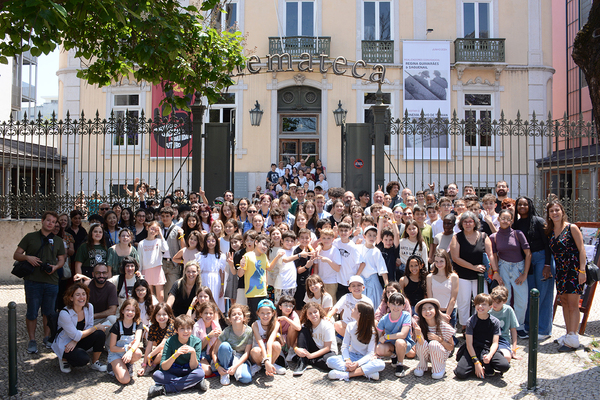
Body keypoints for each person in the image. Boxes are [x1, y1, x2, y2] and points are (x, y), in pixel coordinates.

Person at [14, 210, 66, 353]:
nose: (51, 224)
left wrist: (56, 267)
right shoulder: (30, 237)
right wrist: (28, 258)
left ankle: (47, 337)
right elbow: (16, 254)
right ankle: (32, 340)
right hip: (33, 281)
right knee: (32, 312)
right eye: (48, 220)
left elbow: (62, 259)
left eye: (54, 222)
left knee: (48, 312)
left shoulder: (58, 241)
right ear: (42, 221)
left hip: (51, 281)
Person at [546, 201, 587, 351]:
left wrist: (582, 271)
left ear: (562, 212)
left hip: (574, 269)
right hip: (561, 271)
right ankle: (568, 334)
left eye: (557, 210)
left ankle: (573, 337)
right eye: (552, 211)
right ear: (548, 214)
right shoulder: (550, 231)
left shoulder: (572, 228)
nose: (555, 213)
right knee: (563, 301)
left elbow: (582, 249)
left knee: (572, 303)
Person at [513, 196, 554, 340]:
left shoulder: (538, 221)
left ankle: (543, 329)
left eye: (525, 204)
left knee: (543, 294)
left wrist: (548, 264)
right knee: (530, 294)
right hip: (526, 262)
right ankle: (530, 326)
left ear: (530, 205)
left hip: (542, 258)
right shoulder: (516, 224)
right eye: (520, 205)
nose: (522, 207)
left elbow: (548, 244)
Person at [490, 209, 531, 337]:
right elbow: (494, 256)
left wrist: (525, 273)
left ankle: (519, 326)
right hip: (503, 267)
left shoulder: (518, 234)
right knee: (504, 299)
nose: (505, 221)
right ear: (498, 219)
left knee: (522, 299)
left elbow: (528, 254)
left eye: (508, 219)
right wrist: (496, 272)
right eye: (503, 218)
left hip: (519, 267)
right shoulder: (494, 237)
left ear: (512, 221)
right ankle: (504, 326)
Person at [450, 211, 495, 328]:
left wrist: (496, 272)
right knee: (464, 302)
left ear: (475, 223)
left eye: (470, 221)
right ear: (461, 224)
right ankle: (465, 326)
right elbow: (455, 258)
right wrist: (473, 267)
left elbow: (491, 255)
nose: (468, 224)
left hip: (480, 276)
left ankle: (479, 325)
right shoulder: (457, 237)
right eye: (465, 222)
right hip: (463, 275)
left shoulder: (484, 236)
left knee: (482, 301)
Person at [51, 282, 108, 373]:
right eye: (78, 295)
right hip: (65, 343)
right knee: (83, 360)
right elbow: (87, 330)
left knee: (100, 334)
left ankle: (95, 362)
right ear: (71, 298)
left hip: (78, 338)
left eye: (83, 294)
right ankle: (63, 358)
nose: (82, 297)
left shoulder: (89, 307)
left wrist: (75, 340)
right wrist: (96, 327)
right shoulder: (65, 313)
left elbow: (88, 326)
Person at [148, 315, 208, 398]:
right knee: (157, 375)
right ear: (176, 330)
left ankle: (165, 389)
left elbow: (194, 367)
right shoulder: (170, 341)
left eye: (188, 328)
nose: (186, 331)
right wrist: (175, 355)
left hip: (188, 370)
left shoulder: (196, 342)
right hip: (174, 370)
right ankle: (193, 384)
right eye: (182, 328)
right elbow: (163, 367)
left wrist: (193, 353)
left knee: (200, 373)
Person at [454, 293, 510, 379]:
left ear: (490, 307)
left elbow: (495, 343)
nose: (480, 306)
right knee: (460, 373)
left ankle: (487, 364)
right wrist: (476, 361)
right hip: (473, 349)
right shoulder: (471, 321)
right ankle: (477, 365)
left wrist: (490, 355)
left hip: (487, 348)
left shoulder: (495, 322)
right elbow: (469, 344)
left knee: (504, 366)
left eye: (484, 304)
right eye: (478, 304)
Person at [326, 301, 385, 380]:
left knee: (381, 364)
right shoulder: (350, 326)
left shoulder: (372, 331)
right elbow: (345, 346)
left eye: (355, 309)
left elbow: (370, 353)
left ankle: (346, 375)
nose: (352, 310)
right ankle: (365, 373)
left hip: (364, 360)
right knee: (330, 360)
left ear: (359, 314)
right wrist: (347, 360)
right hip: (351, 356)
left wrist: (357, 364)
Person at [413, 298, 455, 379]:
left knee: (433, 344)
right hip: (427, 354)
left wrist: (440, 340)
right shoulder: (419, 325)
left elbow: (451, 347)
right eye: (424, 309)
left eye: (430, 308)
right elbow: (421, 343)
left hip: (440, 353)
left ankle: (439, 368)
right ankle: (422, 365)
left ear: (436, 310)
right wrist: (418, 334)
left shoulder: (443, 326)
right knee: (421, 344)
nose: (427, 312)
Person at [375, 292, 414, 377]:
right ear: (388, 304)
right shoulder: (384, 318)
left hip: (404, 344)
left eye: (399, 305)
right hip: (391, 344)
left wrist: (386, 337)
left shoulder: (406, 315)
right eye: (393, 304)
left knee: (399, 342)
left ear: (403, 306)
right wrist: (373, 352)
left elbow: (403, 334)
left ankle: (400, 364)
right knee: (379, 349)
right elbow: (377, 335)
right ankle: (394, 356)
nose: (396, 307)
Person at [292, 302, 337, 376]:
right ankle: (302, 361)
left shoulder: (327, 325)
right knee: (302, 330)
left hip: (327, 352)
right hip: (314, 349)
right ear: (307, 316)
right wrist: (296, 349)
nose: (313, 315)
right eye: (310, 313)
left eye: (315, 312)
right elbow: (296, 343)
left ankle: (308, 360)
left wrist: (311, 356)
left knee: (330, 363)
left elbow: (327, 348)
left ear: (319, 312)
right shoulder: (306, 325)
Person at [213, 304, 254, 385]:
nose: (236, 316)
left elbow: (246, 353)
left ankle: (234, 371)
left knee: (246, 379)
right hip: (227, 357)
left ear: (244, 318)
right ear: (230, 319)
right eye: (233, 314)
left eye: (239, 314)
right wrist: (217, 366)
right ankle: (225, 373)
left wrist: (235, 367)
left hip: (239, 359)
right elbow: (214, 352)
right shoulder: (226, 331)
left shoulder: (249, 331)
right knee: (224, 345)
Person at [107, 299, 144, 384]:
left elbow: (137, 341)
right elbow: (112, 348)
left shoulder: (138, 324)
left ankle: (128, 364)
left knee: (138, 353)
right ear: (123, 311)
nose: (130, 312)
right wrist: (126, 348)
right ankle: (112, 367)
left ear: (136, 312)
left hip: (129, 352)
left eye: (133, 310)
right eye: (128, 310)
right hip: (117, 353)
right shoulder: (116, 326)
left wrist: (130, 351)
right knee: (125, 380)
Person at [250, 299, 286, 376]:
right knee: (255, 350)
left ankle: (272, 364)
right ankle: (259, 365)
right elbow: (260, 343)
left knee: (276, 344)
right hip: (259, 352)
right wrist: (266, 360)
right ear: (258, 313)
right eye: (262, 313)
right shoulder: (255, 325)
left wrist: (268, 360)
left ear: (273, 313)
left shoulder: (276, 324)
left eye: (268, 313)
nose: (265, 316)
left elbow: (269, 342)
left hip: (270, 353)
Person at [139, 303, 176, 376]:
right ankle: (154, 365)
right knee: (159, 354)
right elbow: (149, 346)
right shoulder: (153, 327)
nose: (161, 317)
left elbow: (163, 344)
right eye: (158, 314)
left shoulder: (171, 326)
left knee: (161, 353)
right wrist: (144, 364)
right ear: (155, 316)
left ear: (169, 315)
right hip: (159, 351)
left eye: (164, 314)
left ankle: (153, 365)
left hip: (172, 352)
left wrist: (150, 355)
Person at [426, 249, 459, 328]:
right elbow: (430, 298)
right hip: (435, 311)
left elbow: (453, 298)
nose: (439, 264)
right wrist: (439, 314)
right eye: (436, 261)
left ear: (446, 261)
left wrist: (447, 315)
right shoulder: (430, 277)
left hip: (450, 312)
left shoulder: (454, 277)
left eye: (441, 261)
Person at [357, 226, 388, 306]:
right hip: (361, 280)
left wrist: (387, 285)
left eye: (374, 235)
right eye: (369, 235)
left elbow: (383, 270)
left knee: (374, 304)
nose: (372, 237)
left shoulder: (376, 251)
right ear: (364, 236)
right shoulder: (358, 248)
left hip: (373, 281)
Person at [139, 221, 169, 302]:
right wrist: (140, 272)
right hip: (146, 270)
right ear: (147, 228)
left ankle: (161, 312)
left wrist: (161, 235)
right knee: (149, 295)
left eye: (156, 230)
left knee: (161, 296)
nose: (153, 231)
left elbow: (165, 249)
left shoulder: (159, 241)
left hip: (157, 269)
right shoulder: (141, 243)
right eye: (152, 228)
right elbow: (140, 260)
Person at [196, 232, 226, 312]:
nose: (211, 243)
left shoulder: (220, 256)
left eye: (213, 241)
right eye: (208, 241)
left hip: (216, 280)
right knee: (204, 299)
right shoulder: (201, 255)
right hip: (204, 279)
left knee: (215, 298)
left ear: (216, 242)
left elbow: (222, 272)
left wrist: (222, 286)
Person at [489, 286, 520, 362]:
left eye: (498, 302)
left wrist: (514, 349)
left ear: (505, 301)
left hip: (503, 339)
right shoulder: (488, 310)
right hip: (489, 338)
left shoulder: (508, 310)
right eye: (493, 301)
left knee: (506, 357)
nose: (494, 305)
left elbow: (513, 330)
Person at [160, 207, 186, 295]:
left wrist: (182, 235)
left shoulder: (177, 230)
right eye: (163, 216)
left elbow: (183, 248)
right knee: (159, 291)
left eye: (167, 216)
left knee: (170, 291)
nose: (165, 218)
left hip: (173, 264)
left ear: (172, 216)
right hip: (160, 263)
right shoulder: (158, 228)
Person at [192, 302, 222, 376]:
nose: (208, 315)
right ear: (201, 314)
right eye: (206, 313)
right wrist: (208, 337)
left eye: (211, 313)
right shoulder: (197, 326)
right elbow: (197, 348)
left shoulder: (215, 324)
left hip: (213, 352)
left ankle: (214, 363)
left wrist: (220, 336)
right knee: (207, 372)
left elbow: (220, 341)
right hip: (202, 354)